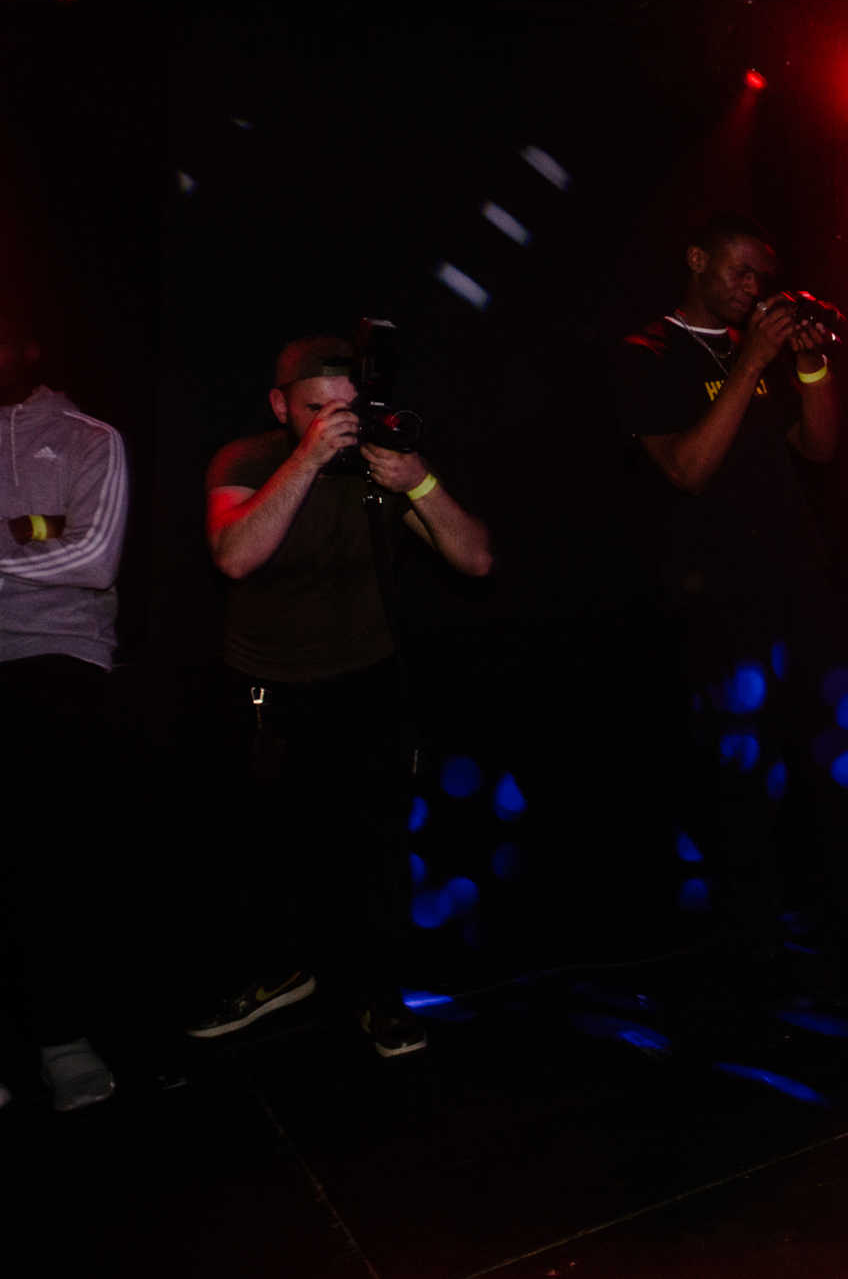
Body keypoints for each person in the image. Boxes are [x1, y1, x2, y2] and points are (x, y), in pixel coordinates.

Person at [187, 334, 492, 1056]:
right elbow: (234, 554)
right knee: (265, 850)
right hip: (266, 693)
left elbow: (476, 559)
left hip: (363, 684)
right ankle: (279, 973)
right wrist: (307, 458)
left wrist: (419, 481)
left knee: (375, 852)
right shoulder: (247, 459)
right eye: (316, 408)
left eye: (347, 408)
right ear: (280, 405)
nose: (336, 422)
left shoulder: (380, 464)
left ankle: (381, 994)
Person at [612, 212, 848, 937]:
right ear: (696, 259)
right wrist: (753, 363)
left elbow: (819, 447)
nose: (752, 286)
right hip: (719, 595)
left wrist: (810, 363)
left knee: (845, 760)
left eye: (761, 275)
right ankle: (755, 943)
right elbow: (688, 469)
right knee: (746, 774)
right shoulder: (648, 353)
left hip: (800, 578)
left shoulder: (748, 349)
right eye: (739, 270)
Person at [0, 317, 127, 1112]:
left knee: (48, 845)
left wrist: (43, 539)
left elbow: (94, 557)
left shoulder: (88, 437)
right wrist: (30, 536)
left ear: (27, 348)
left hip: (57, 653)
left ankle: (61, 1037)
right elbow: (56, 545)